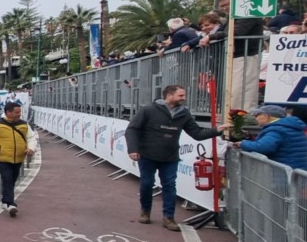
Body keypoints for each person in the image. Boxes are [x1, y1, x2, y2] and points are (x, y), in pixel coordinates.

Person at [125, 85, 227, 231]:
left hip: (170, 157)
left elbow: (197, 133)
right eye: (181, 95)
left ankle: (169, 218)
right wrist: (133, 149)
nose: (184, 98)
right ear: (169, 95)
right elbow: (132, 130)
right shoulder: (148, 110)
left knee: (169, 185)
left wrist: (217, 130)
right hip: (147, 155)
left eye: (184, 95)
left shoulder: (184, 113)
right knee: (147, 184)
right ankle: (145, 211)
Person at [0, 101, 38, 217]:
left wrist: (31, 148)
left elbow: (31, 138)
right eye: (16, 112)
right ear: (8, 112)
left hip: (18, 158)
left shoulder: (24, 125)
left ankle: (5, 201)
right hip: (3, 158)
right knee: (7, 178)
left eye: (20, 112)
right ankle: (11, 204)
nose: (19, 114)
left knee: (12, 180)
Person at [232, 105, 307, 170]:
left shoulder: (276, 130)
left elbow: (263, 147)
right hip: (295, 170)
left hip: (284, 173)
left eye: (257, 116)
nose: (255, 118)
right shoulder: (288, 127)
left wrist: (242, 144)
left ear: (265, 116)